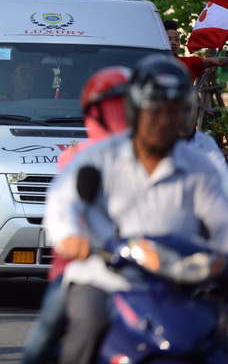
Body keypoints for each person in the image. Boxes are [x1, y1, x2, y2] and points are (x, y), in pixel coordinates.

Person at [44, 55, 228, 364]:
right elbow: (62, 204)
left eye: (173, 112)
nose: (163, 120)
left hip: (182, 281)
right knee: (88, 325)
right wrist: (71, 237)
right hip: (105, 276)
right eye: (154, 109)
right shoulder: (98, 158)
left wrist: (220, 258)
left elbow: (222, 221)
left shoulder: (199, 165)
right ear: (135, 110)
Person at [21, 66, 130, 364]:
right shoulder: (79, 158)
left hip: (153, 271)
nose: (121, 115)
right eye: (114, 107)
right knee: (43, 341)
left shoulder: (170, 157)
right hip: (86, 265)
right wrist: (72, 237)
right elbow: (62, 207)